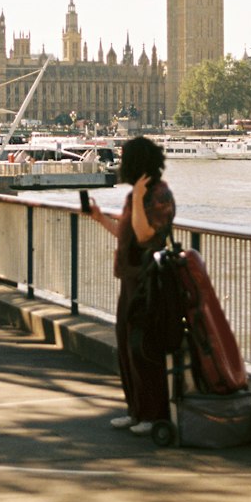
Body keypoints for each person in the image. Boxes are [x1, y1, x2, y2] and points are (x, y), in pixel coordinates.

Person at [87, 135, 176, 437]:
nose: (122, 163)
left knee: (144, 348)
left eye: (127, 158)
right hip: (129, 279)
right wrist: (100, 218)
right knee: (125, 345)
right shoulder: (134, 196)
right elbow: (124, 235)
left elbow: (143, 236)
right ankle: (135, 409)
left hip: (148, 281)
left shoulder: (159, 195)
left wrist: (138, 199)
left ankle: (154, 414)